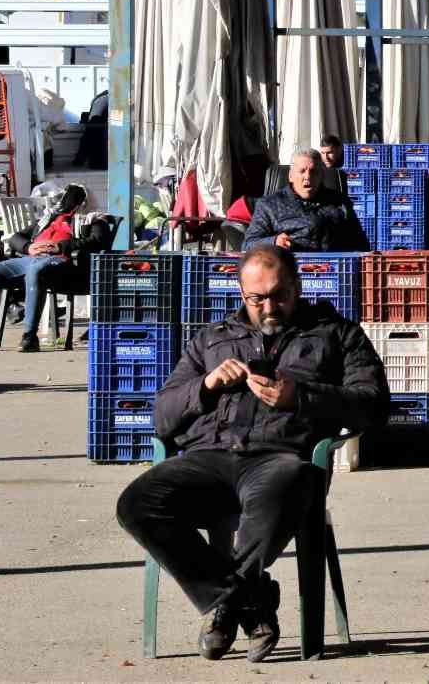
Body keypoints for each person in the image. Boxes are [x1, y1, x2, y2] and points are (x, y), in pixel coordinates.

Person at [115, 244, 389, 663]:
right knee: (137, 504)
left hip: (282, 458)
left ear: (297, 287)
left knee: (282, 487)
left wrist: (300, 396)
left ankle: (225, 607)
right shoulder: (212, 338)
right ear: (242, 294)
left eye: (278, 294)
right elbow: (161, 417)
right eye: (256, 298)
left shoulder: (335, 334)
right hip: (208, 457)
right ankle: (250, 601)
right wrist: (204, 387)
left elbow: (373, 404)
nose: (269, 306)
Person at [0, 184, 109, 352]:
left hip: (62, 263)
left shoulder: (93, 220)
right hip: (31, 258)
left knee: (35, 271)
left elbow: (97, 241)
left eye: (70, 198)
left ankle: (30, 336)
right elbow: (15, 237)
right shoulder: (49, 219)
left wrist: (61, 247)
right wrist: (28, 247)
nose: (63, 202)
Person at [243, 150, 369, 252]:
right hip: (290, 271)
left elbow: (359, 242)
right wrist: (274, 241)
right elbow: (248, 244)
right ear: (291, 176)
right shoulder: (269, 205)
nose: (308, 177)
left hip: (333, 271)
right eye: (302, 171)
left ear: (321, 177)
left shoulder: (339, 202)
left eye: (314, 172)